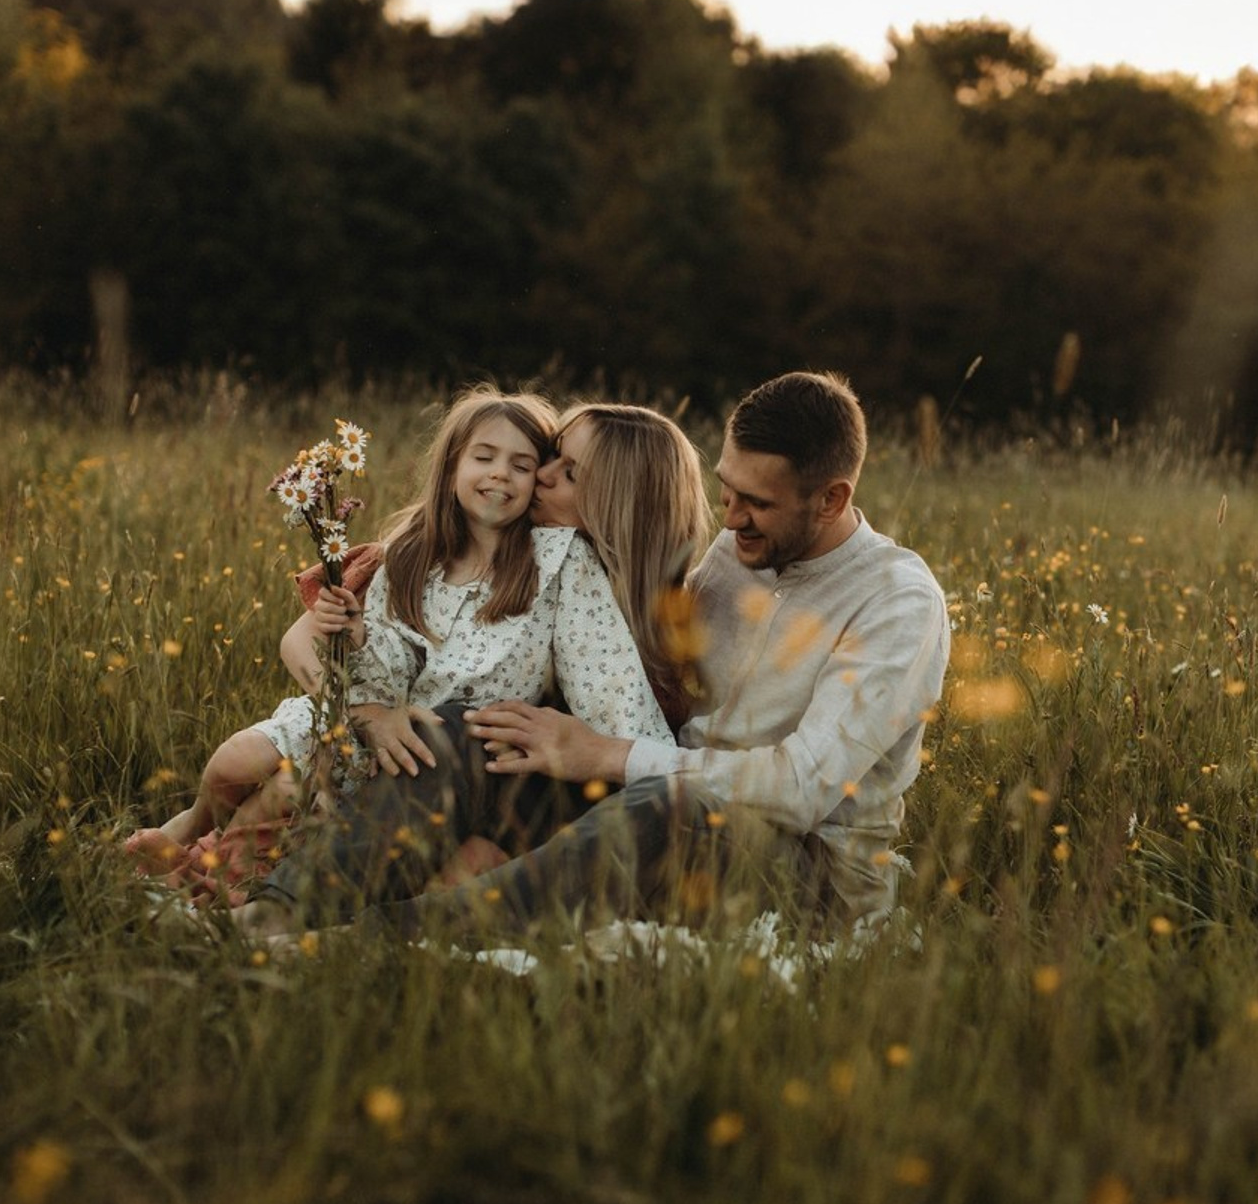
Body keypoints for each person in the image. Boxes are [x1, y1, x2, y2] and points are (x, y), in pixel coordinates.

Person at [238, 370, 948, 945]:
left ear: (832, 499)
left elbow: (803, 789)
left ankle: (367, 944)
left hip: (793, 863)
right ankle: (273, 912)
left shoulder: (896, 604)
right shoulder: (739, 553)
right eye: (726, 492)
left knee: (671, 806)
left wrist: (607, 756)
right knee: (466, 729)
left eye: (755, 504)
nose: (728, 521)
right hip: (657, 795)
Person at [128, 388, 682, 897]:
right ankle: (206, 855)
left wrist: (668, 780)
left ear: (615, 499)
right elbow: (319, 642)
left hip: (478, 773)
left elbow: (621, 709)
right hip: (397, 734)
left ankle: (235, 880)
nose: (531, 478)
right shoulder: (421, 551)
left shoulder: (583, 574)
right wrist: (364, 687)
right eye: (546, 459)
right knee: (260, 778)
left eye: (555, 470)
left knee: (419, 850)